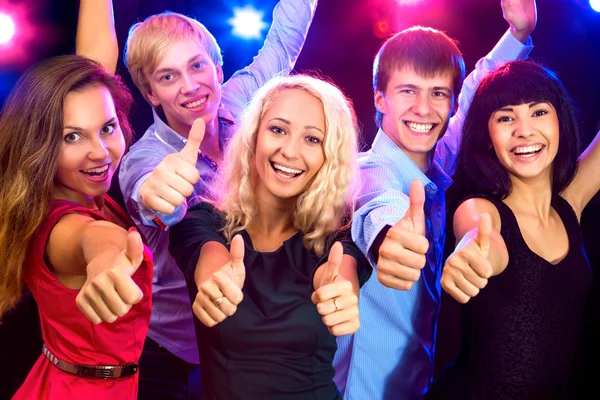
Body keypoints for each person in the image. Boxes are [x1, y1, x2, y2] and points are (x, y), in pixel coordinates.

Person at [333, 1, 538, 399]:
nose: (424, 109)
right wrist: (391, 240)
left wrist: (518, 34)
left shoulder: (435, 158)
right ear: (380, 99)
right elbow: (377, 207)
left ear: (452, 102)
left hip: (416, 384)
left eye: (438, 93)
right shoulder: (368, 172)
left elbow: (475, 87)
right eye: (408, 91)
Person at [117, 2, 318, 397]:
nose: (189, 86)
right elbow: (148, 193)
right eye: (168, 76)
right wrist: (158, 195)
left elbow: (283, 42)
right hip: (176, 354)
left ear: (217, 69)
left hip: (252, 343)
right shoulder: (145, 157)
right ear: (150, 93)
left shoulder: (240, 101)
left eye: (196, 66)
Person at [168, 74, 372, 399]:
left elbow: (340, 273)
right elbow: (209, 257)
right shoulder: (203, 221)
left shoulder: (339, 238)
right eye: (278, 130)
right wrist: (216, 282)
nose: (290, 151)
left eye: (313, 139)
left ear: (329, 157)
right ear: (254, 136)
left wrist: (339, 293)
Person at [425, 60, 600, 399]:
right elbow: (479, 234)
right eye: (506, 118)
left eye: (538, 112)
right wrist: (474, 254)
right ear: (488, 138)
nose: (524, 130)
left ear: (559, 121)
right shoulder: (482, 209)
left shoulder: (570, 205)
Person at [0, 54, 152, 399]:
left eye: (107, 128)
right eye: (72, 137)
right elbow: (91, 238)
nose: (100, 152)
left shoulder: (86, 193)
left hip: (60, 376)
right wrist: (104, 262)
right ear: (40, 145)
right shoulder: (61, 224)